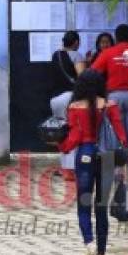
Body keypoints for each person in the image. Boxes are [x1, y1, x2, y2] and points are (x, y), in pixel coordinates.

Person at [58, 70, 128, 255]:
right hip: (107, 157)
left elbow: (73, 139)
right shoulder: (110, 106)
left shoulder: (74, 107)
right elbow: (121, 137)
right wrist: (123, 165)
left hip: (86, 155)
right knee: (101, 208)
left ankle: (89, 244)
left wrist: (60, 145)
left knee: (83, 205)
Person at [91, 24, 128, 164]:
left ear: (116, 37)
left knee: (114, 132)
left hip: (114, 97)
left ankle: (117, 164)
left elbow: (92, 73)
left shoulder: (108, 52)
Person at [50, 31, 85, 182]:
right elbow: (82, 77)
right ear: (76, 42)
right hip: (70, 98)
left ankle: (65, 168)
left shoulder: (55, 55)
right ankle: (72, 170)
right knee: (73, 131)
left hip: (55, 98)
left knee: (61, 133)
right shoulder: (77, 55)